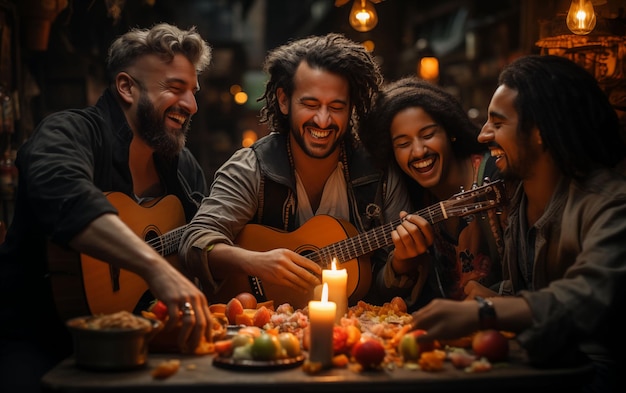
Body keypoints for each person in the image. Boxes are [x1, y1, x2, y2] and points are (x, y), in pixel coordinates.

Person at [0, 23, 214, 392]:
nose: (191, 105)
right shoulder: (69, 131)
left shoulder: (181, 163)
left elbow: (205, 234)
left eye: (193, 91)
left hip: (143, 344)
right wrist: (154, 269)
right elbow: (64, 190)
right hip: (40, 339)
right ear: (126, 87)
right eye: (174, 88)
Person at [409, 55, 626, 392]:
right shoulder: (520, 197)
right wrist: (492, 296)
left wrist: (486, 312)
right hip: (535, 366)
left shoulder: (611, 202)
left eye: (497, 122)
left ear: (540, 131)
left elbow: (590, 293)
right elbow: (528, 293)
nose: (483, 135)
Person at [178, 33, 425, 310]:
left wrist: (401, 264)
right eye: (310, 104)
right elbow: (195, 241)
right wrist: (258, 262)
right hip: (255, 330)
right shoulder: (252, 167)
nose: (323, 119)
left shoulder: (379, 174)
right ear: (284, 101)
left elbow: (382, 290)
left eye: (336, 107)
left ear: (351, 108)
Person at [360, 76, 509, 312]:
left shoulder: (497, 176)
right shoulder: (414, 196)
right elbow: (387, 295)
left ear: (449, 131)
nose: (418, 151)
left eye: (428, 135)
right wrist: (402, 263)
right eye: (403, 143)